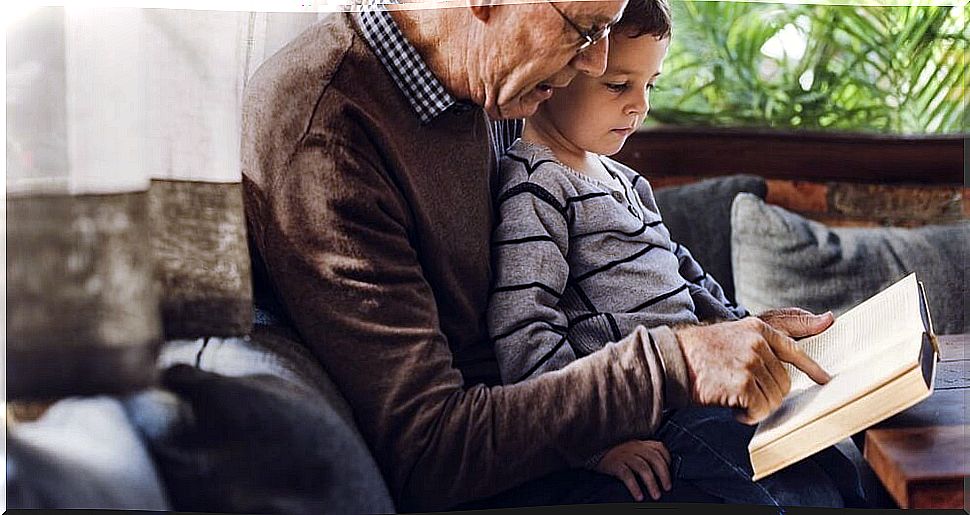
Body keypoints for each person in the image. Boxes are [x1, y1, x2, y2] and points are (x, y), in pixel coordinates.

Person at [241, 0, 837, 511]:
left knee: (831, 454)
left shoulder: (490, 85)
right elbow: (427, 451)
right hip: (510, 469)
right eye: (583, 29)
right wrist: (672, 362)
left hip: (572, 420)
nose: (595, 64)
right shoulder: (327, 130)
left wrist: (733, 330)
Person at [487, 0, 864, 507]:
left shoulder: (625, 180)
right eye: (619, 86)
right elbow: (523, 332)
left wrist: (751, 330)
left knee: (834, 458)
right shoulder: (536, 185)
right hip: (655, 412)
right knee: (791, 497)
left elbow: (688, 278)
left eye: (650, 85)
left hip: (704, 388)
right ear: (559, 69)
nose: (639, 106)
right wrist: (595, 447)